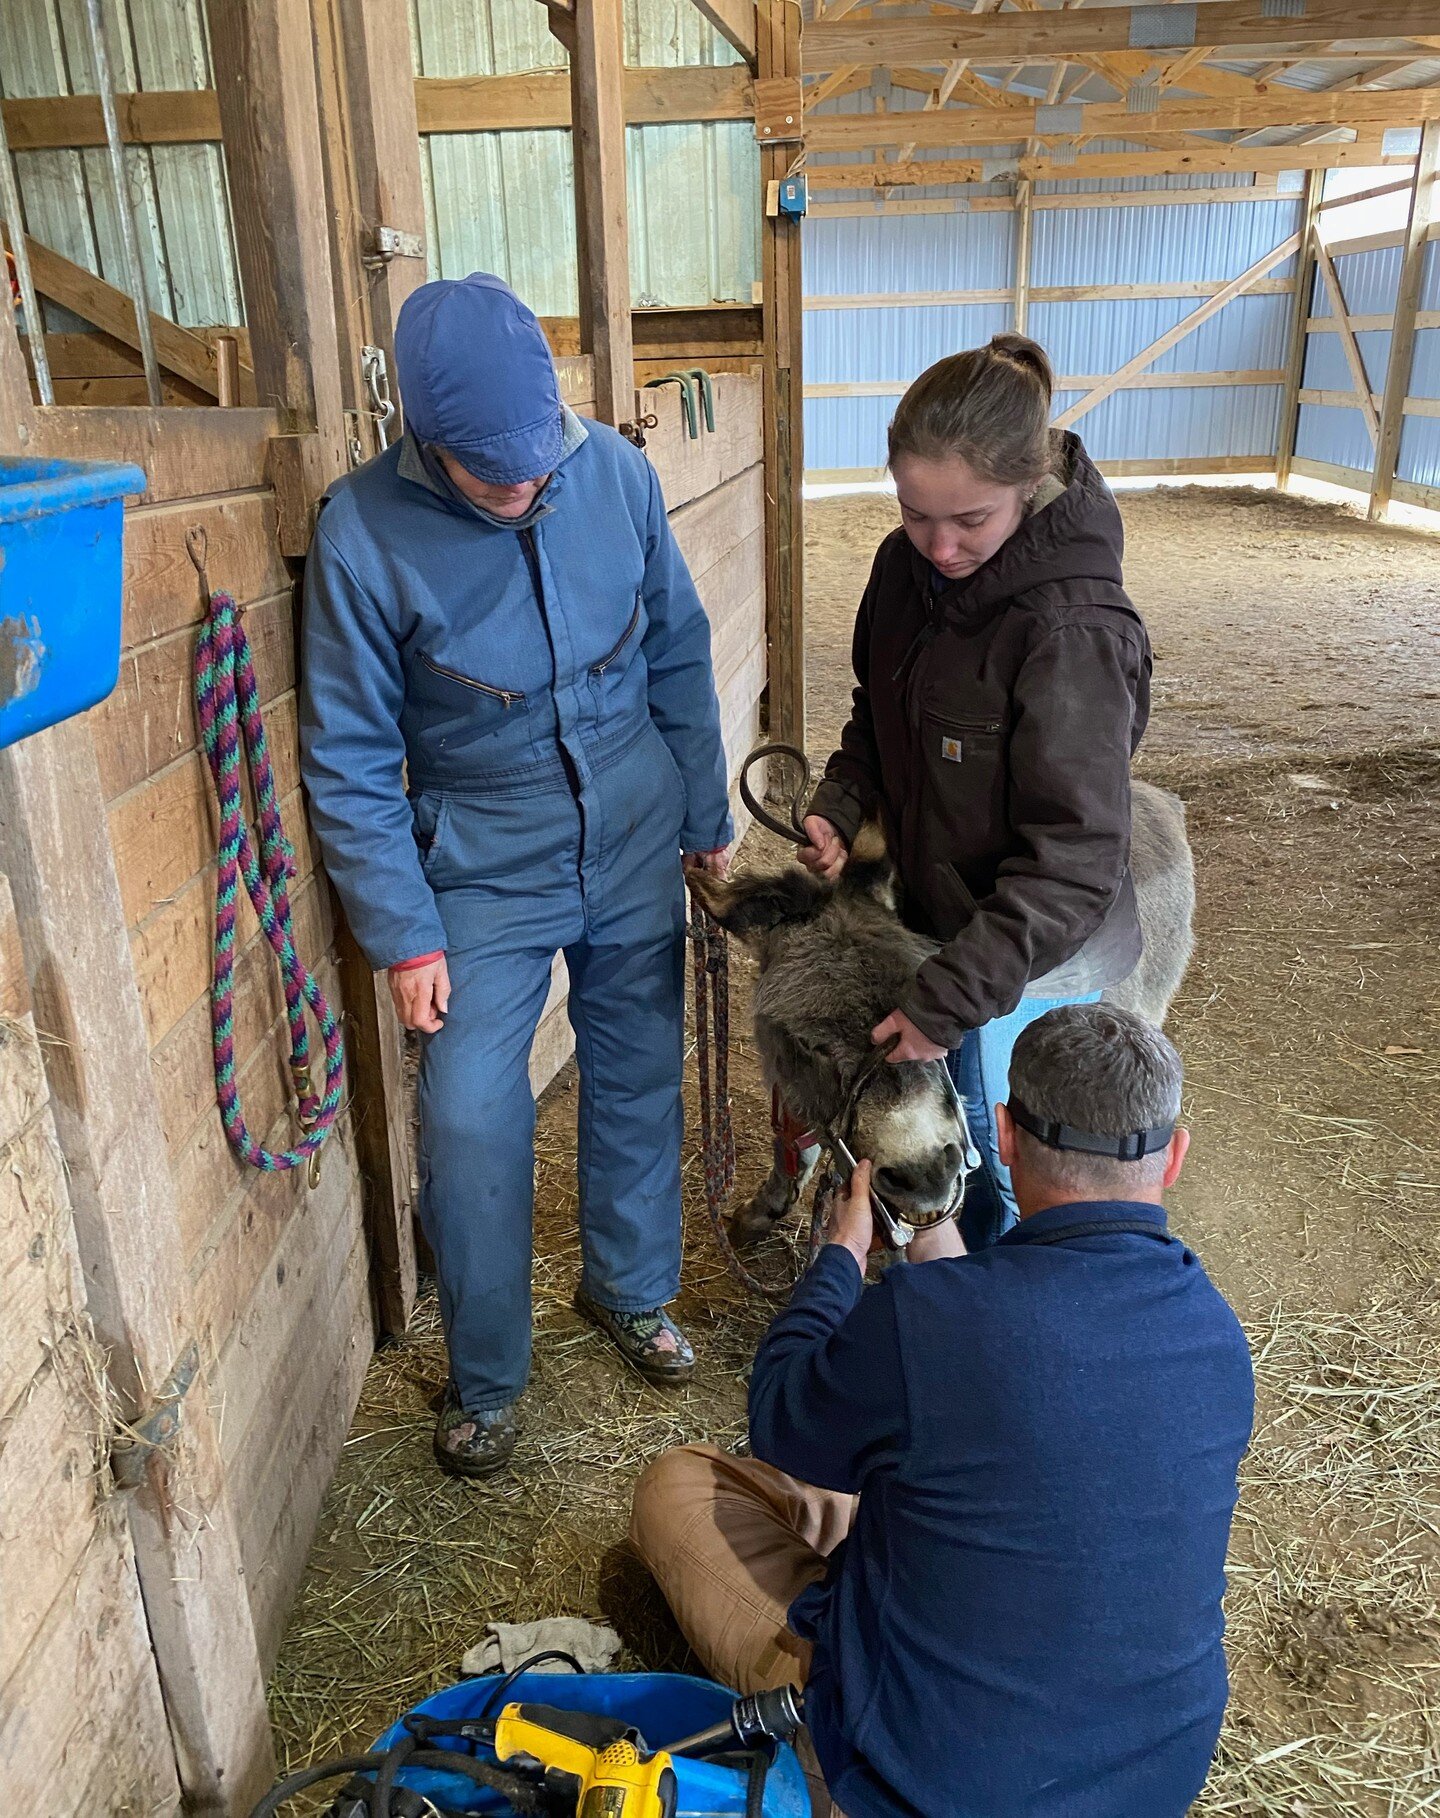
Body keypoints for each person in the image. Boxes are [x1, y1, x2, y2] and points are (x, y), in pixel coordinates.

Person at [300, 273, 732, 1479]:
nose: (526, 488)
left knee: (639, 1069)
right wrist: (401, 932)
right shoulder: (362, 531)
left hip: (634, 819)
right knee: (473, 1114)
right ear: (426, 443)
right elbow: (346, 748)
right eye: (496, 475)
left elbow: (679, 649)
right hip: (480, 858)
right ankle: (489, 1375)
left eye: (538, 461)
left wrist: (703, 809)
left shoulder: (618, 477)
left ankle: (632, 1291)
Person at [631, 1004, 1254, 1818]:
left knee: (676, 1487)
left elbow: (780, 1415)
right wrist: (929, 1238)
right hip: (1150, 1781)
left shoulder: (924, 1326)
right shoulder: (1219, 1336)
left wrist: (838, 1257)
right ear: (1172, 1158)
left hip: (917, 1784)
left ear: (1004, 1134)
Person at [800, 334, 1151, 1250]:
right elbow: (879, 718)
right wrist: (842, 802)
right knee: (937, 1143)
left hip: (1030, 960)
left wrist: (944, 1002)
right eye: (917, 514)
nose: (941, 546)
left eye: (972, 521)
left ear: (1029, 487)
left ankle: (991, 1337)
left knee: (997, 1163)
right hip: (943, 937)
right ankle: (948, 1310)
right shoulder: (901, 570)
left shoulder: (1071, 628)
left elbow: (1073, 866)